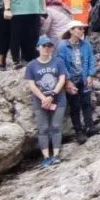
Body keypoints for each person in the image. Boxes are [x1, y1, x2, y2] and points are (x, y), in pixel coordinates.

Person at [26, 35, 68, 167]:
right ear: (38, 47)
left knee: (56, 127)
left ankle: (55, 155)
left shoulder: (58, 61)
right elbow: (31, 84)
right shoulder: (32, 65)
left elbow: (62, 79)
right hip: (40, 101)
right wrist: (43, 98)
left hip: (58, 99)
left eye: (49, 46)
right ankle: (46, 156)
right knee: (43, 128)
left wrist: (52, 94)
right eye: (44, 45)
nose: (46, 48)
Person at [56, 20, 99, 143]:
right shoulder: (63, 46)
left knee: (86, 103)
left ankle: (90, 126)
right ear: (71, 30)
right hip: (72, 80)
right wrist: (67, 81)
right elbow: (61, 64)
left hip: (83, 78)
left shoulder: (86, 44)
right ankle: (78, 131)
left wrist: (90, 75)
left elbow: (91, 60)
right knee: (74, 106)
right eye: (79, 28)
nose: (82, 30)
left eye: (82, 29)